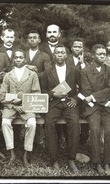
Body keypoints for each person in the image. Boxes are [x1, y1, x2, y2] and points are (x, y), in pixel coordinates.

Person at [41, 44, 81, 173]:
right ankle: (54, 159)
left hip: (70, 103)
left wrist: (76, 99)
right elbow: (42, 91)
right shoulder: (48, 72)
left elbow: (84, 88)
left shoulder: (74, 70)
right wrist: (53, 94)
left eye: (62, 52)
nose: (59, 55)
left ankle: (71, 158)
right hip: (54, 104)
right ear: (54, 55)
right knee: (48, 123)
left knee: (74, 123)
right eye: (57, 52)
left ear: (66, 55)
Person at [0, 49, 41, 166]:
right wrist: (13, 106)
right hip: (11, 107)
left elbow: (37, 93)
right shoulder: (8, 75)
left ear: (25, 59)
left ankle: (26, 153)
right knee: (5, 123)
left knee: (32, 123)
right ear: (13, 60)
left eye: (21, 57)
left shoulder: (32, 74)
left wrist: (24, 101)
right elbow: (2, 96)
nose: (18, 59)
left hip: (27, 106)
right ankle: (11, 152)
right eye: (16, 57)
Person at [80, 44, 110, 175]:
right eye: (99, 54)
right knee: (94, 130)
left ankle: (108, 161)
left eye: (104, 54)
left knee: (109, 131)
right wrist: (96, 97)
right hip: (93, 108)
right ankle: (96, 162)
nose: (103, 56)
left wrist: (94, 96)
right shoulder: (85, 71)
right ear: (93, 55)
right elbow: (85, 91)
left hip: (108, 107)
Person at [25, 30, 52, 147]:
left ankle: (43, 140)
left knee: (41, 113)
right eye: (30, 38)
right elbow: (14, 67)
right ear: (27, 40)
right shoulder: (22, 54)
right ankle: (22, 140)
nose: (32, 40)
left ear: (39, 40)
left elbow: (48, 72)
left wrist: (34, 74)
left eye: (35, 38)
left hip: (39, 88)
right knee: (27, 113)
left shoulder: (44, 56)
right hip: (24, 89)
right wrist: (27, 67)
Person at [67, 38, 91, 148]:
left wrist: (82, 64)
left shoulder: (86, 63)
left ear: (83, 49)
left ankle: (83, 140)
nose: (77, 49)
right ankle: (69, 141)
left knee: (88, 110)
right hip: (69, 94)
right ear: (71, 48)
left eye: (79, 47)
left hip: (82, 95)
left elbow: (89, 78)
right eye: (75, 46)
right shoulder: (66, 60)